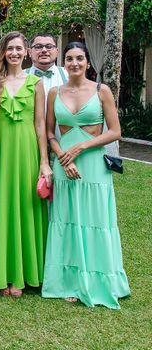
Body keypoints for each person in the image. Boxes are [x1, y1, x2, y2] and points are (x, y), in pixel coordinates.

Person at [42, 42, 130, 309]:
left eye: (79, 58)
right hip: (64, 164)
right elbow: (48, 133)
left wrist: (80, 147)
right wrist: (60, 155)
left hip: (92, 164)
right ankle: (68, 281)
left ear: (88, 62)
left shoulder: (101, 91)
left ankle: (100, 280)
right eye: (69, 59)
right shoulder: (54, 93)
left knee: (96, 221)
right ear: (64, 62)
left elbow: (115, 131)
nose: (74, 63)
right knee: (66, 221)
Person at [0, 31, 52, 297]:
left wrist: (44, 162)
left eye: (18, 49)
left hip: (26, 151)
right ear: (3, 52)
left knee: (25, 205)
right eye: (9, 48)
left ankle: (25, 274)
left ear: (26, 52)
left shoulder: (36, 83)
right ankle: (0, 273)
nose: (14, 53)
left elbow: (39, 125)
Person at [26, 33, 68, 105]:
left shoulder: (68, 75)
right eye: (38, 47)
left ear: (57, 51)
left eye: (49, 46)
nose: (44, 50)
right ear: (29, 52)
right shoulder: (20, 77)